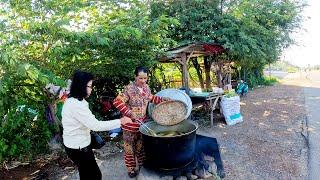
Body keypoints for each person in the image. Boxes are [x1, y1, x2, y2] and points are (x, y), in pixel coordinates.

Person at [62, 70, 132, 180]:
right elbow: (96, 125)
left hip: (72, 145)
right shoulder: (77, 105)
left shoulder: (71, 99)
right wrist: (121, 121)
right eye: (89, 86)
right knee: (94, 176)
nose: (91, 89)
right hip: (79, 148)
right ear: (81, 86)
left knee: (85, 173)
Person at [113, 66, 166, 178]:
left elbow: (151, 98)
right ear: (135, 77)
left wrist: (163, 100)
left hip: (142, 125)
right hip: (129, 126)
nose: (143, 81)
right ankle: (131, 169)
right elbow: (117, 102)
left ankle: (141, 165)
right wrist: (128, 112)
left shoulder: (146, 88)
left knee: (140, 147)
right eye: (140, 78)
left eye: (145, 78)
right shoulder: (129, 89)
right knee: (129, 149)